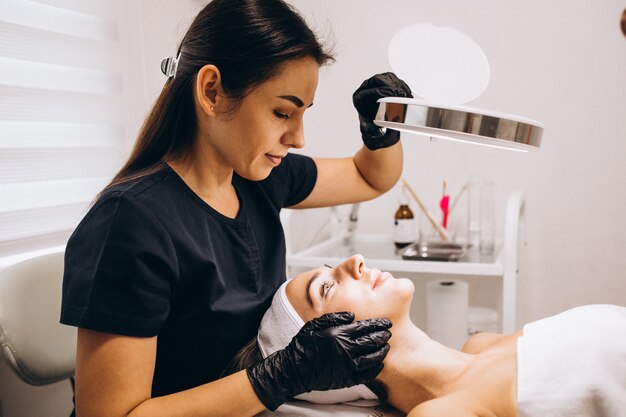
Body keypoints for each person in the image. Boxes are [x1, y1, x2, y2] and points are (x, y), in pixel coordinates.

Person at [59, 0, 413, 416]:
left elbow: (370, 177)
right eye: (283, 112)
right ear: (212, 91)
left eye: (302, 114)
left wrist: (382, 133)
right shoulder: (131, 223)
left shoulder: (258, 178)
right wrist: (279, 377)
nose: (298, 138)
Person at [231, 254, 626, 417]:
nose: (354, 261)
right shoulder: (440, 413)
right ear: (332, 351)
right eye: (327, 288)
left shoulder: (481, 344)